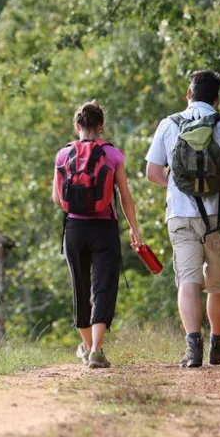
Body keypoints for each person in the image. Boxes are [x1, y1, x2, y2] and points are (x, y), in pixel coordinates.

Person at [145, 70, 220, 368]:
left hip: (180, 214)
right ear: (217, 99)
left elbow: (153, 172)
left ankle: (193, 348)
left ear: (188, 94)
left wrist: (182, 184)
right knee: (218, 282)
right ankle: (218, 342)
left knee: (188, 280)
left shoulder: (169, 125)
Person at [53, 100, 142, 369]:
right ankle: (97, 350)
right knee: (103, 287)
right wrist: (135, 231)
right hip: (104, 228)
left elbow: (58, 199)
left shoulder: (62, 155)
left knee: (80, 287)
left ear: (77, 125)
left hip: (74, 229)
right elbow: (125, 198)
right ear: (101, 126)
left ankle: (86, 345)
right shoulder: (113, 155)